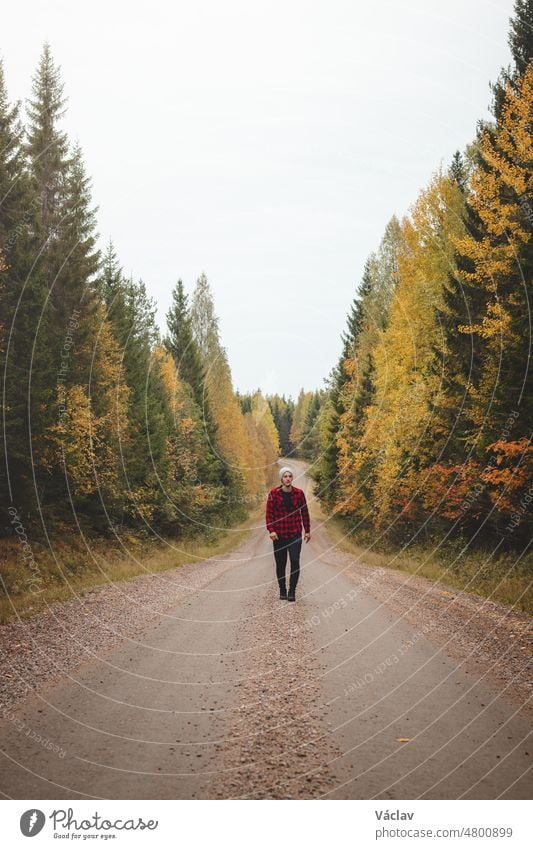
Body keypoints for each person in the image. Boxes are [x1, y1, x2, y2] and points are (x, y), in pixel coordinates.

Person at [265, 466, 311, 602]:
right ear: (281, 478)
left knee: (295, 561)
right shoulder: (273, 494)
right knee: (281, 564)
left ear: (292, 478)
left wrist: (307, 530)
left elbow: (305, 513)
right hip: (279, 535)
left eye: (290, 476)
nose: (288, 478)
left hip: (295, 534)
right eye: (285, 476)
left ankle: (292, 591)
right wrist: (271, 530)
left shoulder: (299, 493)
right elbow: (269, 515)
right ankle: (282, 590)